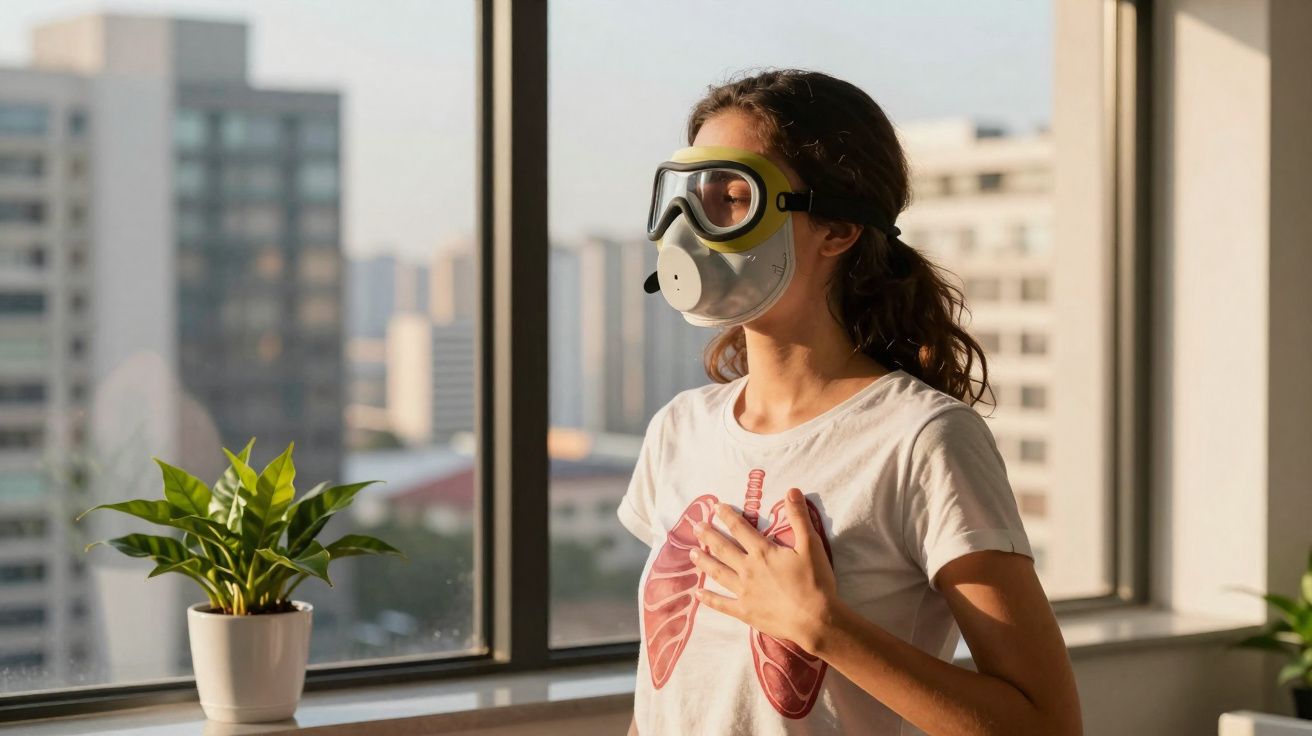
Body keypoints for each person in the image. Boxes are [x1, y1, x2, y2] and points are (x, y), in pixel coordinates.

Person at [618, 69, 1082, 735]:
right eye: (689, 197)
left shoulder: (922, 439)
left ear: (836, 229)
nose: (690, 228)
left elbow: (1048, 725)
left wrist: (823, 627)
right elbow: (670, 696)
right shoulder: (678, 430)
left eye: (733, 198)